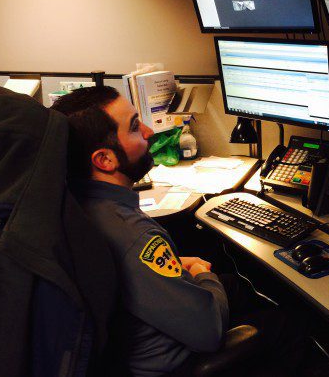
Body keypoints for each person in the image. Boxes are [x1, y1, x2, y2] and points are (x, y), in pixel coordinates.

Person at [51, 86, 306, 377]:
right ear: (105, 160)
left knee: (235, 285)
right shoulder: (132, 236)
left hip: (128, 340)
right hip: (172, 365)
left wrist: (177, 265)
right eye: (135, 127)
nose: (149, 132)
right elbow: (207, 332)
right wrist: (199, 272)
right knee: (287, 323)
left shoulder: (75, 204)